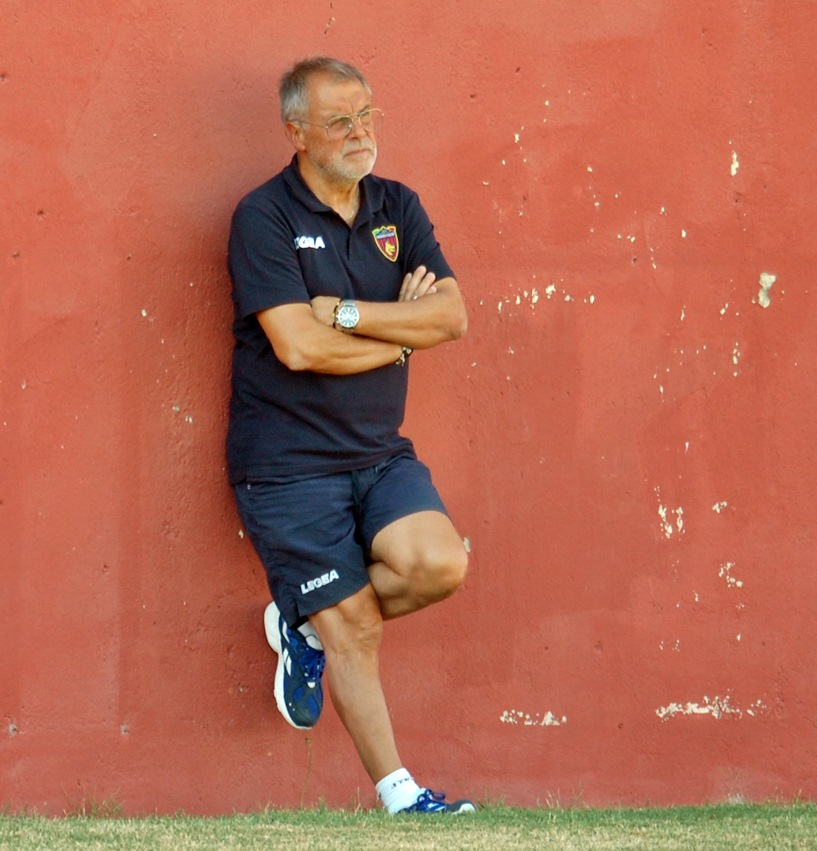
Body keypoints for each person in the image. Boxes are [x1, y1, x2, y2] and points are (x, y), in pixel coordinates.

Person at [225, 56, 474, 815]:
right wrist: (402, 337)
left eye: (367, 114)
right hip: (287, 467)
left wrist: (346, 313)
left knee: (440, 564)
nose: (360, 132)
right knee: (356, 626)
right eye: (340, 121)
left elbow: (450, 318)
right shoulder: (264, 217)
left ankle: (303, 621)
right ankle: (403, 798)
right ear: (296, 132)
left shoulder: (397, 205)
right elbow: (298, 348)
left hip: (378, 452)